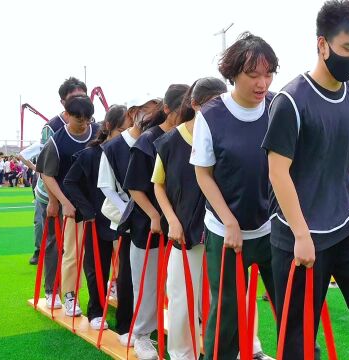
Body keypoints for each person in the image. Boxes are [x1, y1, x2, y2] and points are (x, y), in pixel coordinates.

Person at [262, 1, 349, 358]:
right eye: (348, 48)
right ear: (322, 45)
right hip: (299, 235)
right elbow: (278, 172)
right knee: (298, 333)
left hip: (346, 225)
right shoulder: (291, 100)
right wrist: (301, 235)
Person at [191, 33, 278, 360]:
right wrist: (228, 221)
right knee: (227, 313)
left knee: (292, 308)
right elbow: (203, 174)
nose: (262, 83)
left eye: (268, 74)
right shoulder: (211, 116)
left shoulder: (276, 108)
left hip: (272, 226)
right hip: (225, 231)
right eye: (253, 75)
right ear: (233, 75)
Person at [152, 78, 227, 360]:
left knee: (227, 295)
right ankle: (183, 353)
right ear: (194, 105)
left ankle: (241, 347)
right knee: (182, 298)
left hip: (221, 230)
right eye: (212, 105)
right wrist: (171, 220)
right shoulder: (171, 142)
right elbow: (158, 184)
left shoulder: (226, 135)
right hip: (184, 231)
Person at [123, 84, 188, 360]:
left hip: (179, 225)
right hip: (147, 226)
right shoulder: (147, 142)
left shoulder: (187, 136)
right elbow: (135, 187)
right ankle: (141, 336)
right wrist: (153, 215)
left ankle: (180, 335)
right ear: (167, 109)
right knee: (147, 284)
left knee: (176, 286)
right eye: (182, 110)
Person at [98, 97, 159, 347]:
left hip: (151, 218)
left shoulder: (155, 140)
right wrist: (129, 212)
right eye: (151, 114)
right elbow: (106, 185)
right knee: (126, 274)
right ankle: (125, 325)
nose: (156, 120)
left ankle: (146, 326)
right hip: (126, 219)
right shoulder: (113, 147)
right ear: (135, 113)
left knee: (149, 276)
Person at [63, 105, 130, 330]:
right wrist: (88, 210)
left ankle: (126, 314)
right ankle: (96, 312)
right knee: (97, 267)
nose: (126, 135)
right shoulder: (91, 154)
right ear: (109, 127)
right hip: (97, 220)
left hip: (125, 220)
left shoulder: (130, 151)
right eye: (122, 130)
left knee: (126, 270)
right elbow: (70, 182)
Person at [35, 95, 99, 317]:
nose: (84, 123)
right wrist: (62, 202)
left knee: (104, 251)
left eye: (87, 119)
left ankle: (110, 287)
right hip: (72, 204)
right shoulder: (57, 141)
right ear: (67, 115)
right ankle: (70, 295)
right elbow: (47, 174)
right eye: (78, 119)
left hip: (99, 202)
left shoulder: (98, 133)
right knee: (72, 251)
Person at [18, 142, 45, 265]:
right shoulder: (41, 145)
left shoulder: (64, 141)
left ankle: (60, 249)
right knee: (39, 221)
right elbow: (22, 155)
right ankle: (38, 250)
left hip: (63, 188)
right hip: (41, 187)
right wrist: (36, 169)